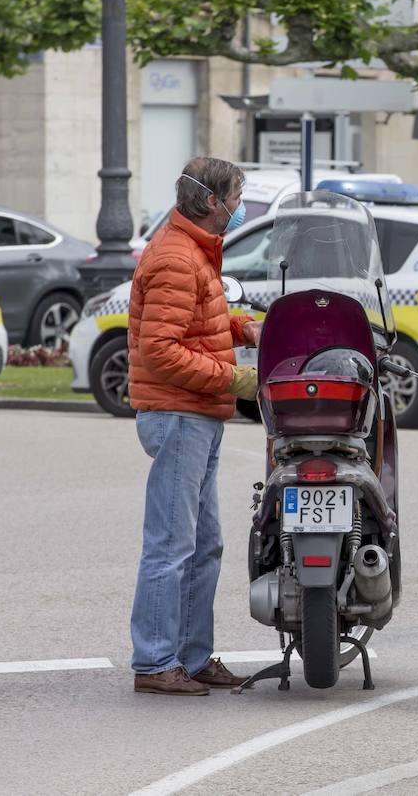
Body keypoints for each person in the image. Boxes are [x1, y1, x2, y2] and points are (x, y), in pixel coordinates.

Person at [128, 157, 261, 696]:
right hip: (179, 413)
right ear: (214, 202)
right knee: (172, 545)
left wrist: (245, 328)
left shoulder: (195, 252)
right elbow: (161, 350)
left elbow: (195, 321)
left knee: (204, 546)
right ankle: (156, 662)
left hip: (195, 414)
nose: (240, 206)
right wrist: (236, 380)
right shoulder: (178, 259)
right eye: (238, 196)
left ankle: (192, 654)